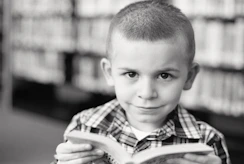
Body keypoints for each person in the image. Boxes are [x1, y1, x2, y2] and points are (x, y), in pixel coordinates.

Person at [52, 1, 231, 164]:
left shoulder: (207, 141)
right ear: (109, 73)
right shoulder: (84, 125)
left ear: (189, 77)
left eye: (164, 76)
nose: (146, 93)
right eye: (131, 74)